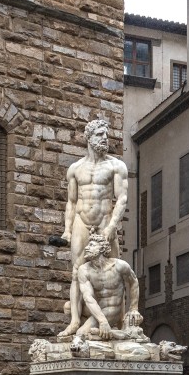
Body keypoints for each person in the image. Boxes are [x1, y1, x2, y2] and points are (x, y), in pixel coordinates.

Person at [59, 118, 129, 338]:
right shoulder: (75, 169)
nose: (104, 138)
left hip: (105, 221)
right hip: (82, 220)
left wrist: (110, 228)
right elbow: (71, 201)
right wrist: (67, 229)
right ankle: (74, 321)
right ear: (88, 138)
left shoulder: (116, 166)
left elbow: (122, 199)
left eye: (106, 135)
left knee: (116, 272)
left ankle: (121, 321)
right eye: (99, 134)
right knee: (76, 272)